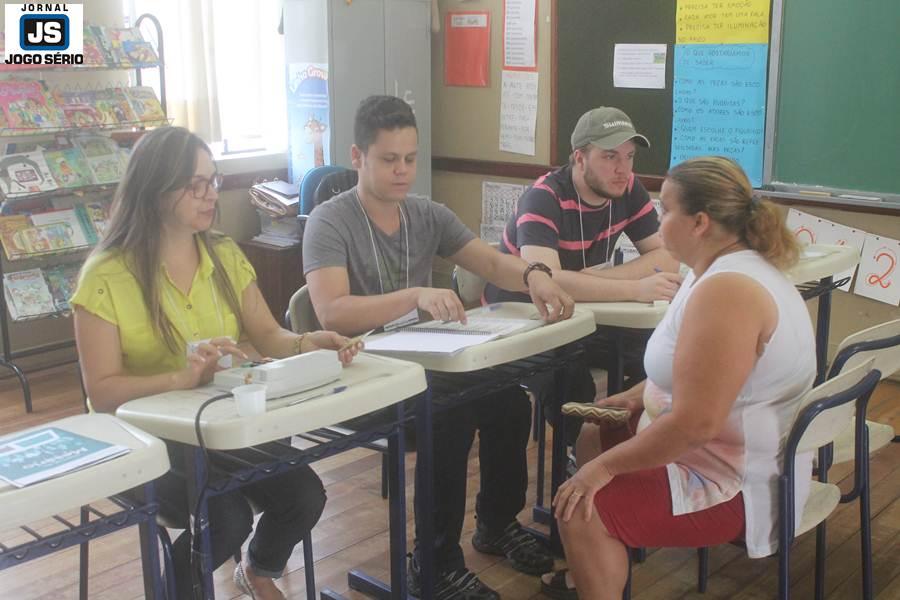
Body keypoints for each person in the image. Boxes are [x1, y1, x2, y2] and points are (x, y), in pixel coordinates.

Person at [71, 127, 362, 600]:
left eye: (214, 180)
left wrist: (310, 342)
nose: (212, 195)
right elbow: (102, 393)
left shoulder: (223, 253)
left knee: (304, 493)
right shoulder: (106, 275)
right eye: (195, 185)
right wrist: (180, 377)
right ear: (155, 189)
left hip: (212, 425)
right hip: (139, 439)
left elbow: (268, 335)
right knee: (224, 515)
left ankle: (258, 569)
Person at [303, 95, 575, 599]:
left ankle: (495, 524)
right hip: (361, 372)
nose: (403, 171)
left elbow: (492, 264)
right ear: (358, 156)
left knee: (509, 402)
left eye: (410, 158)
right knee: (447, 415)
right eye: (389, 160)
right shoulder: (330, 220)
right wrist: (414, 294)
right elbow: (332, 312)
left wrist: (537, 276)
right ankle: (433, 561)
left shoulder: (425, 214)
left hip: (422, 361)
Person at [541, 156, 817, 600]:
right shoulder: (717, 269)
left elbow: (695, 424)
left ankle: (599, 557)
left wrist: (600, 472)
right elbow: (701, 374)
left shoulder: (727, 292)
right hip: (728, 452)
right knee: (595, 434)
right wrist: (637, 395)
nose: (658, 218)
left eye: (666, 210)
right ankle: (598, 569)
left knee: (578, 506)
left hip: (739, 481)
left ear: (700, 222)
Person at [484, 106, 682, 437]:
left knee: (658, 354)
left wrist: (594, 280)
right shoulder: (543, 197)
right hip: (524, 317)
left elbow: (667, 257)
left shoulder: (627, 188)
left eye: (629, 157)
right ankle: (576, 458)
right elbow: (547, 279)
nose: (622, 169)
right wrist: (635, 289)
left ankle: (627, 448)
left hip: (586, 310)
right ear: (579, 158)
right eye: (609, 157)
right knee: (571, 382)